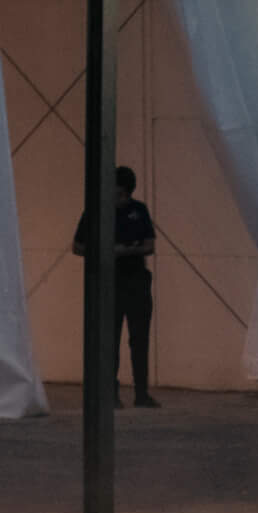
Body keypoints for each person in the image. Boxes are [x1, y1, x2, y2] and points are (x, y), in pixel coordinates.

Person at [72, 165, 159, 408]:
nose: (118, 199)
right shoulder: (95, 212)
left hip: (136, 280)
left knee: (139, 339)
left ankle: (141, 393)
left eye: (122, 194)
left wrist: (125, 250)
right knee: (109, 339)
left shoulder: (138, 211)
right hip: (109, 282)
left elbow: (149, 244)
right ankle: (111, 393)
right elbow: (77, 246)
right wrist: (104, 253)